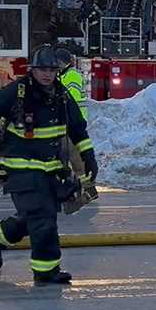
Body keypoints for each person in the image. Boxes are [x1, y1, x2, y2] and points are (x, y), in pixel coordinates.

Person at [0, 44, 97, 286]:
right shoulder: (17, 92)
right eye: (42, 69)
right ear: (32, 70)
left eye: (51, 70)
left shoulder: (60, 94)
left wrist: (89, 157)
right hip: (21, 170)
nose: (47, 74)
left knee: (34, 218)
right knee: (43, 217)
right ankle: (46, 270)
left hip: (51, 170)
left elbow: (78, 128)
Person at [56, 47, 98, 206]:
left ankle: (88, 190)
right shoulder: (65, 75)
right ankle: (76, 190)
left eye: (57, 62)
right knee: (67, 158)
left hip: (72, 124)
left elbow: (69, 101)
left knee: (75, 159)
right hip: (69, 123)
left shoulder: (71, 75)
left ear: (63, 62)